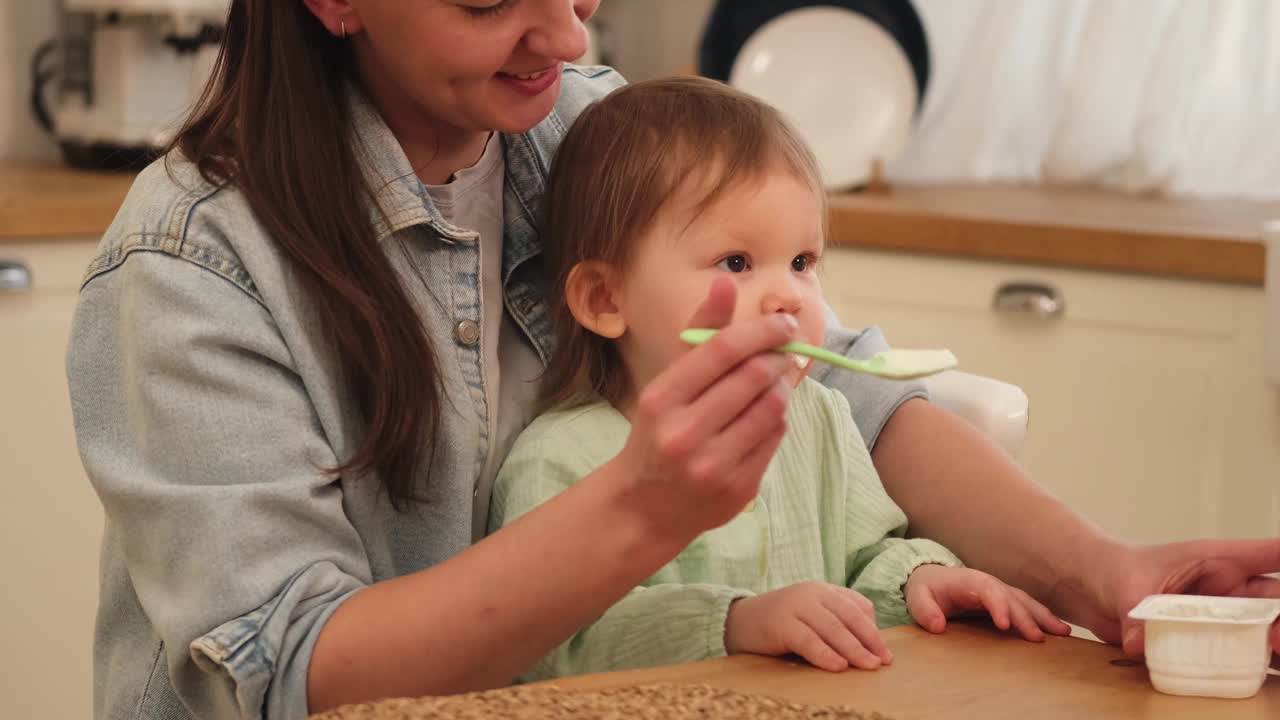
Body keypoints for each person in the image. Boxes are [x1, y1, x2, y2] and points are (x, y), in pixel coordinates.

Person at [63, 1, 1280, 718]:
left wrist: (1097, 573)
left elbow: (851, 394)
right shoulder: (192, 265)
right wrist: (642, 510)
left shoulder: (576, 121)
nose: (565, 32)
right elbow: (297, 669)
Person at [489, 77, 1073, 681]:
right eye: (737, 263)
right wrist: (735, 623)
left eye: (802, 263)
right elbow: (556, 648)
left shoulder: (818, 416)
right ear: (605, 298)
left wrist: (924, 580)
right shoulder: (557, 461)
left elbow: (866, 557)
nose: (788, 297)